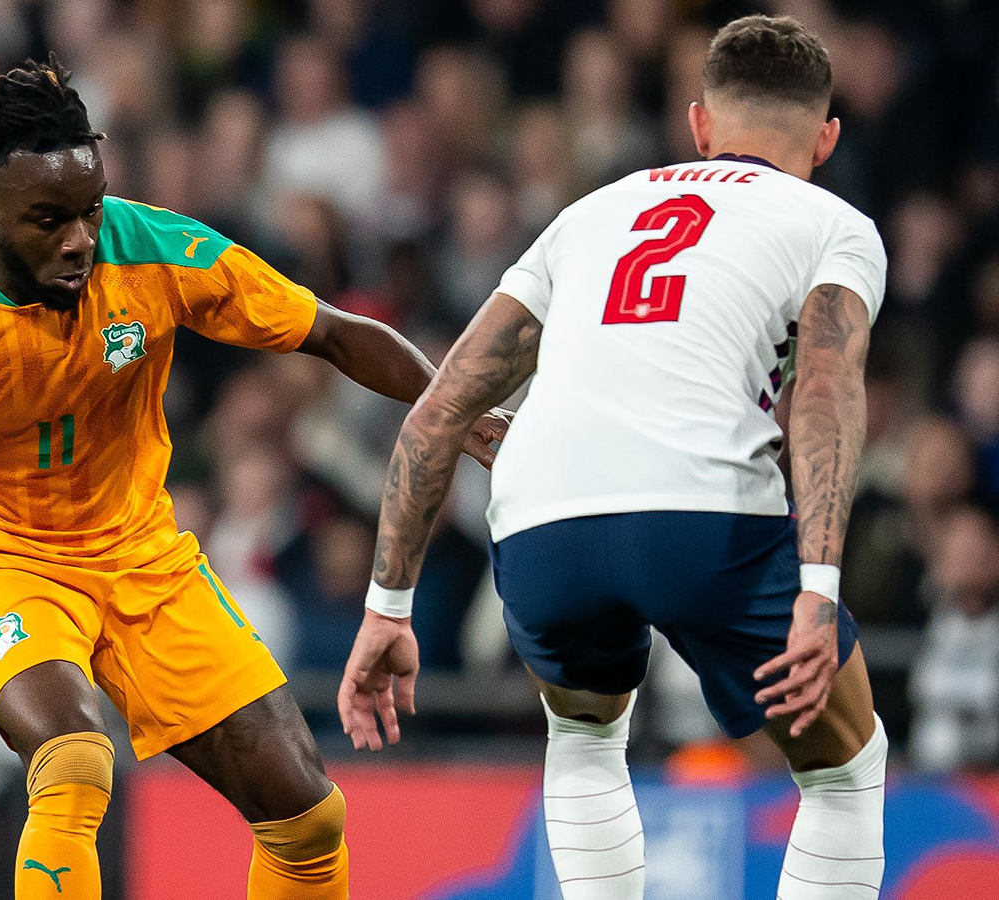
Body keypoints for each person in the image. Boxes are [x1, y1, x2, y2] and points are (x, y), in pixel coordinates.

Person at [0, 56, 504, 900]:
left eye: (88, 210)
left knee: (308, 818)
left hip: (141, 556)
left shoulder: (153, 251)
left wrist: (460, 409)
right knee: (77, 758)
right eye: (49, 219)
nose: (80, 238)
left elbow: (333, 331)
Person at [340, 16, 887, 900]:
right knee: (843, 769)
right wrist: (817, 592)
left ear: (701, 124)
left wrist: (386, 608)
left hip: (541, 521)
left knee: (588, 741)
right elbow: (824, 393)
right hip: (703, 515)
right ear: (825, 138)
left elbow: (441, 407)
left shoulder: (588, 215)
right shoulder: (835, 224)